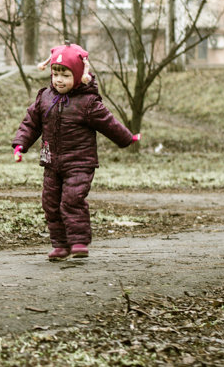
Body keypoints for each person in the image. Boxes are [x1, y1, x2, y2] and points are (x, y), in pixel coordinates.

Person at [11, 43, 140, 261]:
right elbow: (31, 123)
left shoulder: (88, 103)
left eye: (66, 75)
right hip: (52, 162)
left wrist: (127, 138)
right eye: (55, 74)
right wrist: (20, 144)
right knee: (50, 203)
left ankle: (79, 242)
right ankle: (60, 245)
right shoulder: (44, 98)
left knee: (71, 199)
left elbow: (109, 124)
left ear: (79, 75)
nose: (59, 80)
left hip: (80, 162)